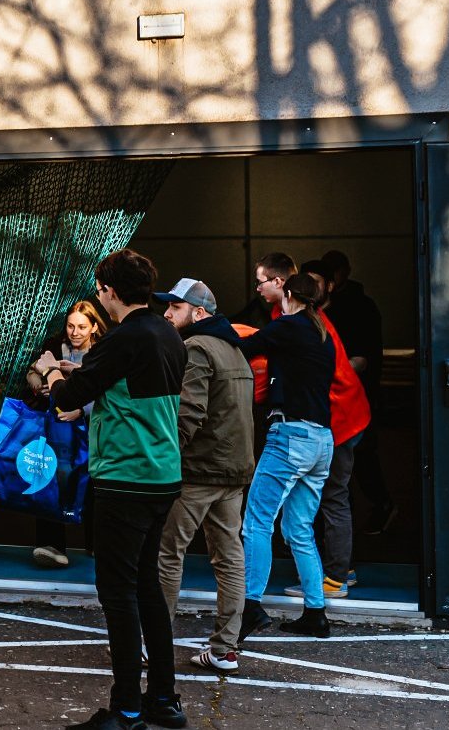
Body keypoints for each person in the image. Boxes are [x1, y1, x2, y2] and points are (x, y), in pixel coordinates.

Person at [38, 249, 186, 730]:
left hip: (125, 475)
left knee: (117, 592)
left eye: (100, 288)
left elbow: (68, 398)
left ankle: (125, 710)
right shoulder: (166, 332)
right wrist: (82, 371)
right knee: (146, 589)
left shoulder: (122, 337)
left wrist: (52, 370)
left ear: (109, 291)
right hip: (162, 474)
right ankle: (163, 700)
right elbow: (124, 384)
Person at [153, 278, 254, 673]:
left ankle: (152, 645)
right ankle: (226, 649)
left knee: (167, 555)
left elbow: (188, 415)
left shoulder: (195, 348)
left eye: (174, 307)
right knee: (229, 558)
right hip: (233, 471)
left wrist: (162, 459)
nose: (166, 313)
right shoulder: (235, 349)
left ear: (198, 313)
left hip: (198, 471)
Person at [237, 261, 335, 640]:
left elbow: (245, 345)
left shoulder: (289, 326)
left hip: (290, 435)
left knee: (256, 521)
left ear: (290, 295)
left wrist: (208, 327)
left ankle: (251, 605)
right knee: (298, 527)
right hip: (321, 441)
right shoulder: (319, 331)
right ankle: (315, 613)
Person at [282, 260, 370, 605]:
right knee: (331, 495)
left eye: (263, 281)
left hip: (341, 420)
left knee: (333, 496)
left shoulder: (305, 326)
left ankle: (334, 577)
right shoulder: (317, 321)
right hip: (347, 416)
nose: (259, 288)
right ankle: (340, 568)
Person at [24, 299, 105, 569]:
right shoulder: (54, 347)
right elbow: (33, 371)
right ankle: (52, 546)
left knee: (93, 484)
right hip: (57, 428)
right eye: (71, 326)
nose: (75, 332)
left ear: (94, 327)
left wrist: (81, 411)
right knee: (50, 478)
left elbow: (107, 391)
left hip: (92, 430)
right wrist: (39, 386)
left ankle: (97, 545)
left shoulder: (102, 353)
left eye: (82, 327)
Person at [321, 249, 395, 537]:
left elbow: (365, 355)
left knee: (358, 456)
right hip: (339, 395)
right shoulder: (326, 310)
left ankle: (380, 505)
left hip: (357, 392)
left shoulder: (359, 307)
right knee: (345, 465)